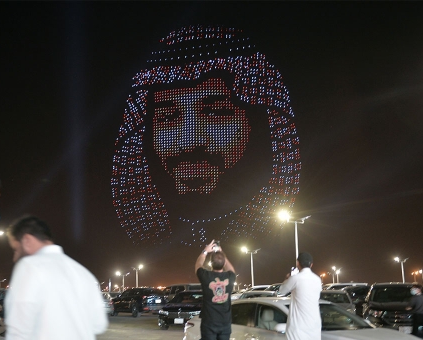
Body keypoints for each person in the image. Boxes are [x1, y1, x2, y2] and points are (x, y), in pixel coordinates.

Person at [112, 26, 301, 247]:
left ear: (257, 120)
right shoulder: (152, 237)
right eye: (167, 117)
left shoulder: (271, 230)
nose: (189, 141)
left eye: (215, 113)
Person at [1, 215, 108, 340]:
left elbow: (18, 332)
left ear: (26, 240)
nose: (15, 256)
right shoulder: (84, 274)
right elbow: (99, 325)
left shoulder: (30, 267)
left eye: (15, 249)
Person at [195, 240, 236, 340]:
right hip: (225, 324)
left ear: (211, 263)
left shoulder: (206, 276)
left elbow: (198, 264)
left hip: (209, 324)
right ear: (223, 262)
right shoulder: (230, 277)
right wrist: (221, 253)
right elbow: (231, 268)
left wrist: (206, 251)